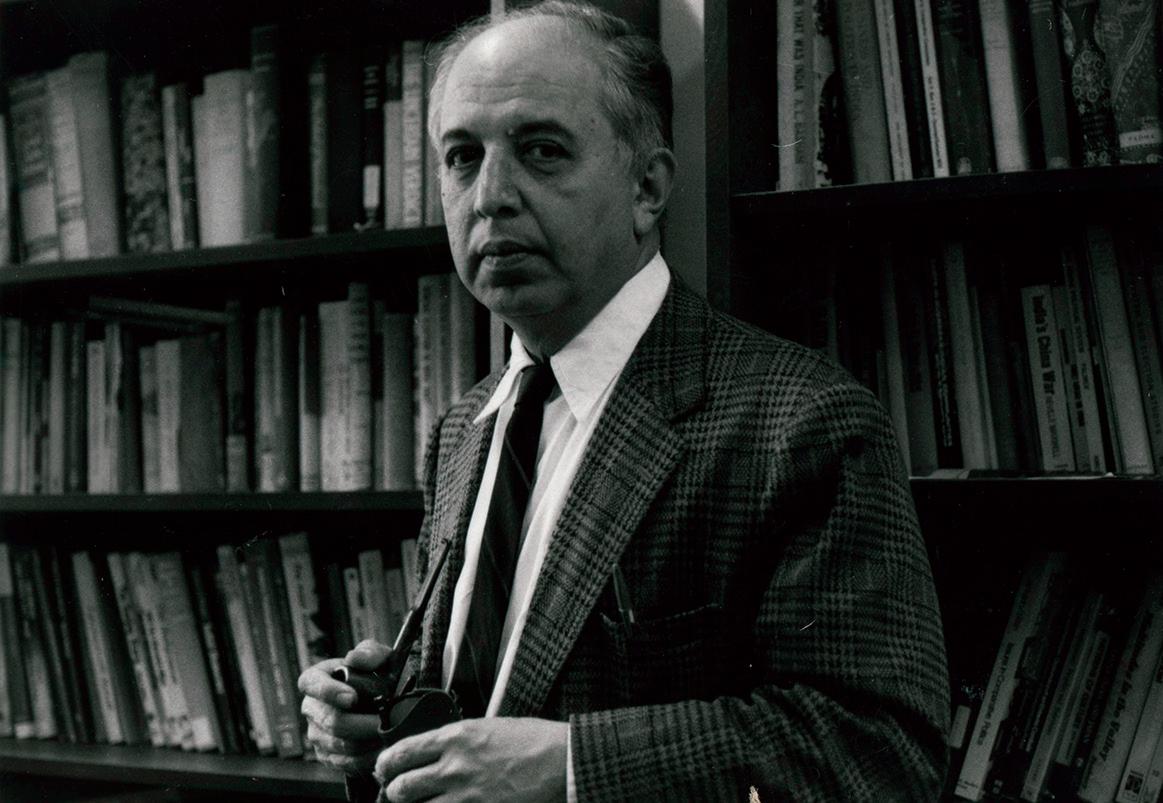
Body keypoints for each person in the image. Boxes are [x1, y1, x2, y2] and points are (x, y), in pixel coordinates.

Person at [298, 2, 950, 801]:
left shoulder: (800, 421)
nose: (489, 196)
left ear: (647, 188)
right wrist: (375, 714)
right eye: (462, 157)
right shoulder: (464, 427)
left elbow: (878, 753)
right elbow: (487, 704)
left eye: (541, 150)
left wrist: (573, 766)